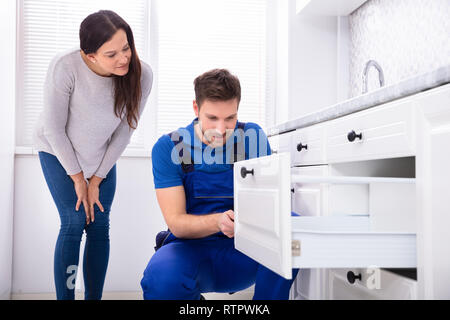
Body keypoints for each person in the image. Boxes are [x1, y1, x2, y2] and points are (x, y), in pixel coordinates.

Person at [140, 69, 298, 300]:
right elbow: (177, 224)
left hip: (244, 250)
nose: (221, 130)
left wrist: (249, 224)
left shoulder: (252, 136)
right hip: (190, 250)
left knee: (292, 225)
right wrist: (218, 221)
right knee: (160, 280)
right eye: (212, 118)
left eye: (230, 118)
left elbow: (269, 207)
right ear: (196, 108)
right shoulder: (169, 147)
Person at [33, 10, 153, 300]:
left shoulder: (142, 74)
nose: (123, 58)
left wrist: (96, 179)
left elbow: (124, 132)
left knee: (99, 225)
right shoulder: (66, 66)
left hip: (101, 158)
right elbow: (53, 129)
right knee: (74, 222)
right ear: (90, 56)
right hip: (58, 152)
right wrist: (78, 179)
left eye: (126, 48)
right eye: (111, 54)